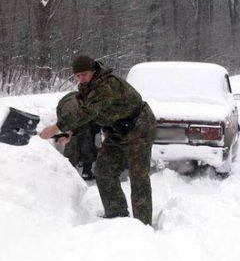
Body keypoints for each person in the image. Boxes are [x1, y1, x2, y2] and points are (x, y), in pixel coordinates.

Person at [40, 55, 157, 225]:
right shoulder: (86, 89)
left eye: (85, 74)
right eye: (78, 76)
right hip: (116, 131)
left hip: (139, 128)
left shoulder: (106, 85)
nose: (81, 78)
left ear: (94, 71)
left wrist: (56, 127)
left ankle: (143, 224)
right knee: (103, 171)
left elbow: (87, 113)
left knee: (138, 176)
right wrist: (71, 132)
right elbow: (90, 117)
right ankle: (117, 214)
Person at [56, 91, 100, 181]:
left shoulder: (69, 99)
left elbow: (59, 110)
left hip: (65, 115)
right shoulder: (92, 103)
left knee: (72, 140)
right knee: (88, 141)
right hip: (80, 116)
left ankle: (69, 171)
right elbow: (95, 122)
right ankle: (86, 172)